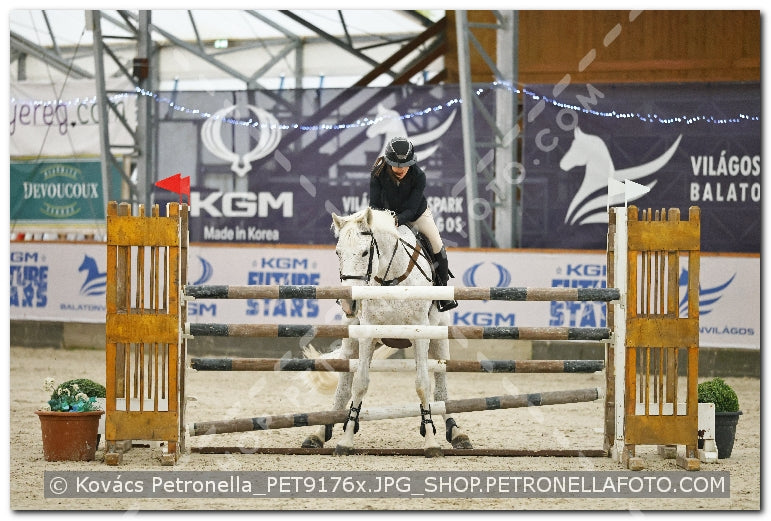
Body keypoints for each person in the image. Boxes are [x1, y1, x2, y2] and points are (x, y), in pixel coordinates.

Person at [369, 136, 458, 312]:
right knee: (364, 244)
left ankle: (443, 293)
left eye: (405, 165)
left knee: (437, 245)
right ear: (388, 161)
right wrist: (385, 220)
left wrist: (397, 220)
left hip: (416, 214)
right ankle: (352, 292)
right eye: (397, 165)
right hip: (387, 215)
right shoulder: (377, 173)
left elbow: (410, 209)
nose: (401, 169)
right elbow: (374, 205)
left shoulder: (419, 176)